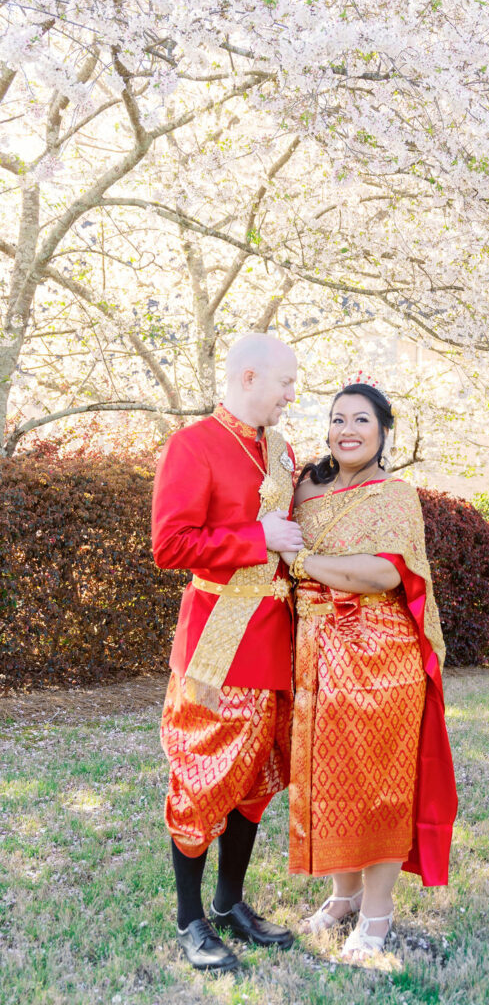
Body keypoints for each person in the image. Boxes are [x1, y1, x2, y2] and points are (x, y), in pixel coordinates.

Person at [282, 377, 458, 960]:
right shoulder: (304, 487)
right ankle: (343, 895)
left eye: (361, 420)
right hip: (315, 647)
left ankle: (377, 914)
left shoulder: (394, 495)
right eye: (337, 419)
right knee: (330, 778)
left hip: (380, 651)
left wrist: (303, 560)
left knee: (379, 781)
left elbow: (383, 573)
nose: (346, 430)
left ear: (383, 432)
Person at [152, 333, 303, 973]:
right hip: (218, 644)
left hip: (275, 641)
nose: (292, 395)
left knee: (257, 779)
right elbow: (171, 545)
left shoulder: (281, 451)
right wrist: (256, 535)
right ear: (247, 378)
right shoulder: (193, 446)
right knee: (202, 777)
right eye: (284, 384)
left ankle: (229, 903)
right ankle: (190, 922)